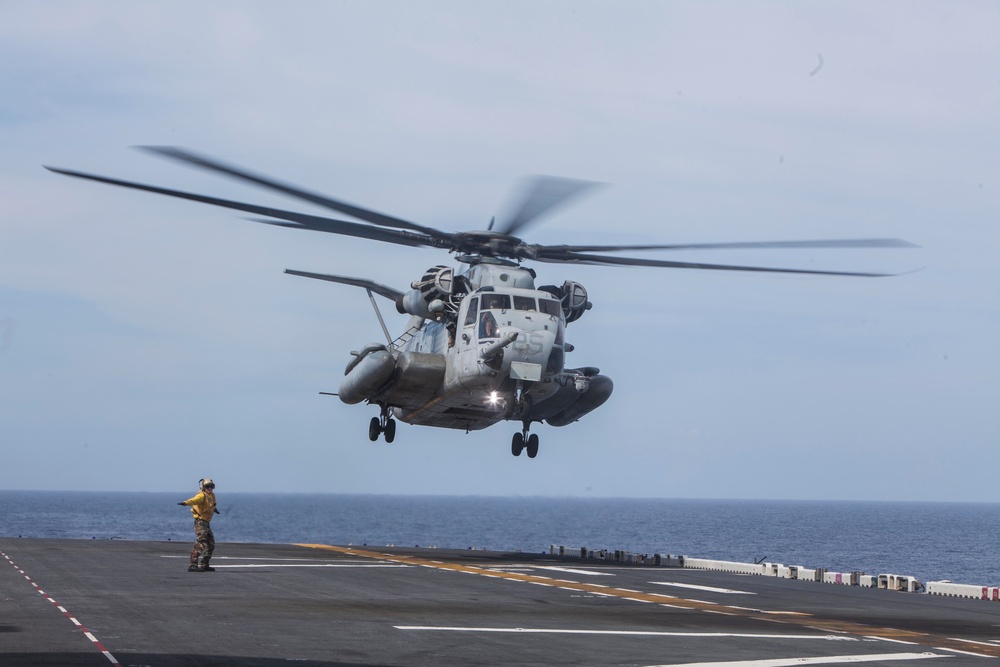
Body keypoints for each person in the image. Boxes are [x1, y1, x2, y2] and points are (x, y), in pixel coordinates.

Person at [178, 477, 220, 572]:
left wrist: (215, 509)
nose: (210, 488)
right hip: (200, 522)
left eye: (211, 486)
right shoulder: (202, 496)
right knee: (201, 542)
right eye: (207, 486)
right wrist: (185, 503)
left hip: (206, 523)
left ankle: (205, 564)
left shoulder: (212, 495)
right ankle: (192, 565)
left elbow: (212, 504)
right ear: (203, 487)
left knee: (211, 544)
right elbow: (194, 500)